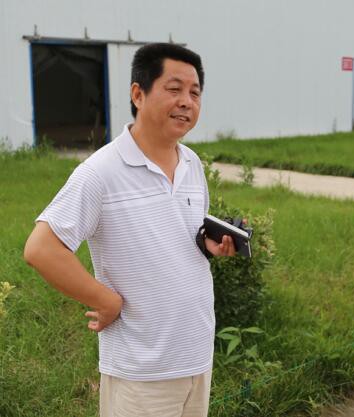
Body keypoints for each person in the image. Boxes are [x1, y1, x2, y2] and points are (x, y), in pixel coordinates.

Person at [23, 43, 235, 417]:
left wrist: (206, 243)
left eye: (195, 92)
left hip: (196, 356)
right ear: (138, 94)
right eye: (174, 89)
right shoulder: (101, 172)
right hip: (141, 371)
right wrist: (106, 300)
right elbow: (41, 249)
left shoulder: (192, 163)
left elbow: (176, 232)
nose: (186, 102)